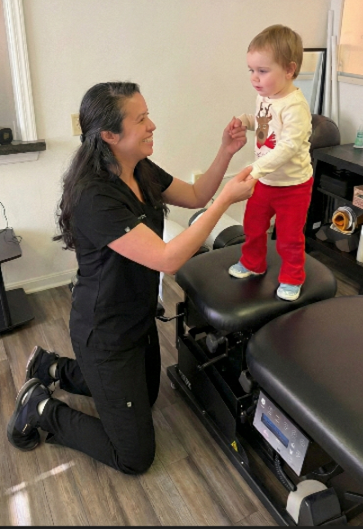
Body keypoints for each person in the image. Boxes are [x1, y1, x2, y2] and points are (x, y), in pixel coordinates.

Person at [6, 82, 256, 474]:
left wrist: (226, 151)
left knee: (149, 397)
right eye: (141, 119)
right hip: (104, 333)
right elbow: (167, 258)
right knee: (135, 457)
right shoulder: (95, 195)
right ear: (109, 135)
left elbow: (194, 194)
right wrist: (226, 200)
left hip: (137, 321)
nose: (152, 125)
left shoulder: (139, 168)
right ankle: (39, 408)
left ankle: (52, 367)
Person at [226, 25, 313, 303]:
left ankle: (292, 277)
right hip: (265, 181)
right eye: (251, 70)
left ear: (289, 70)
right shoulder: (265, 96)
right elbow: (263, 124)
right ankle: (253, 263)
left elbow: (288, 147)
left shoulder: (295, 106)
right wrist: (245, 120)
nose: (255, 78)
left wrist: (257, 169)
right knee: (252, 225)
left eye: (262, 71)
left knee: (288, 237)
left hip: (292, 186)